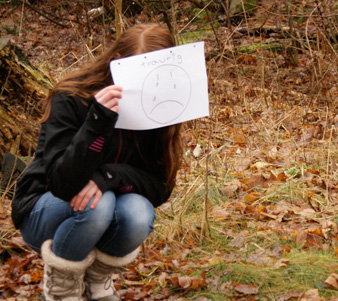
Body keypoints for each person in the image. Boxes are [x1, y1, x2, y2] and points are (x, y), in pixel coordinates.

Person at [11, 23, 184, 301]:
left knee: (139, 213)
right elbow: (61, 184)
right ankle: (62, 287)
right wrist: (96, 121)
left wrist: (109, 178)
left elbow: (159, 189)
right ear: (115, 65)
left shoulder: (160, 110)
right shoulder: (71, 97)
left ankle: (97, 279)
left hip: (105, 208)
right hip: (43, 210)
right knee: (98, 204)